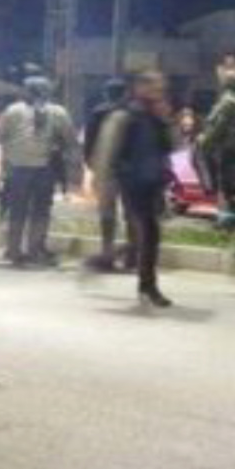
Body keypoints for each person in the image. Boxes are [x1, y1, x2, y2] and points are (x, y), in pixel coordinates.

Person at [94, 71, 177, 307]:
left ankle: (109, 261)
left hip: (153, 184)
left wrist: (167, 121)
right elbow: (107, 151)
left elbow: (173, 147)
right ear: (140, 87)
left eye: (161, 88)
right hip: (131, 185)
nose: (159, 93)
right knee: (148, 235)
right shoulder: (124, 116)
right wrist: (103, 183)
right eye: (155, 88)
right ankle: (148, 287)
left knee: (148, 237)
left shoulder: (156, 117)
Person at [0, 77, 77, 267]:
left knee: (17, 210)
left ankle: (13, 249)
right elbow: (70, 141)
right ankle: (36, 249)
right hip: (44, 169)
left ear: (27, 92)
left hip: (17, 169)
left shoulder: (12, 110)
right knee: (41, 211)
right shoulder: (58, 112)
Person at [82, 77, 133, 271]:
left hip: (106, 169)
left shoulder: (98, 112)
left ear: (106, 93)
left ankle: (107, 254)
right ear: (125, 93)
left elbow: (89, 141)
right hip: (129, 170)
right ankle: (131, 258)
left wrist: (91, 163)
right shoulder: (131, 113)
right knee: (131, 213)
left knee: (107, 214)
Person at [199, 77, 235, 225]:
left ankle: (230, 220)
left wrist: (204, 141)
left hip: (228, 148)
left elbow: (218, 126)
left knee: (227, 183)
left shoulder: (227, 102)